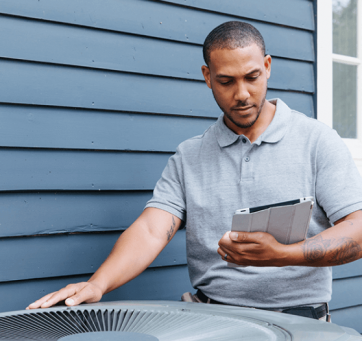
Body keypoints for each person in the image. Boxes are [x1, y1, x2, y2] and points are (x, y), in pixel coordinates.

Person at [27, 21, 362, 321]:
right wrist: (97, 284)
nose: (242, 94)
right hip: (211, 319)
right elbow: (151, 231)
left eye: (252, 77)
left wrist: (283, 255)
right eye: (226, 81)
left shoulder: (317, 141)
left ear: (267, 66)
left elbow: (357, 229)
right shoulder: (190, 155)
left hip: (298, 323)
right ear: (207, 77)